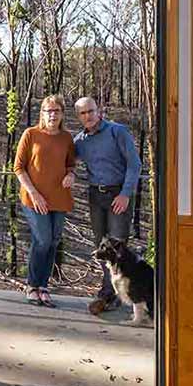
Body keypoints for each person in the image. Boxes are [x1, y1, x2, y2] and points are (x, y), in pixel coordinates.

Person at [72, 96, 141, 316]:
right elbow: (66, 162)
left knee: (117, 246)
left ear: (99, 110)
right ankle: (113, 293)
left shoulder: (117, 132)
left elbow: (134, 163)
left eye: (90, 111)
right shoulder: (80, 141)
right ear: (78, 117)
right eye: (82, 113)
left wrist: (125, 193)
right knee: (102, 246)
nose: (88, 116)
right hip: (96, 196)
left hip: (117, 194)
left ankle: (109, 295)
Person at [13, 94, 77, 308]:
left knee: (54, 241)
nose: (52, 114)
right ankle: (31, 285)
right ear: (42, 113)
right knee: (42, 239)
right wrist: (34, 193)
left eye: (56, 111)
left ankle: (43, 286)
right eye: (48, 111)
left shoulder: (66, 138)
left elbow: (71, 165)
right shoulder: (30, 134)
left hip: (59, 197)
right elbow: (18, 167)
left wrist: (71, 175)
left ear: (62, 114)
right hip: (34, 198)